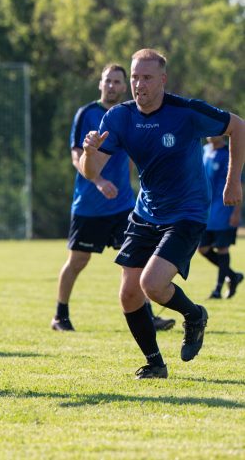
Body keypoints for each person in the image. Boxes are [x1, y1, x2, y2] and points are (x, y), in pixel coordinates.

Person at [80, 48, 244, 379]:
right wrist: (89, 152)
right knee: (128, 294)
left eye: (147, 77)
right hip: (146, 212)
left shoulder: (186, 112)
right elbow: (89, 170)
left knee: (152, 284)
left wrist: (232, 182)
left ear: (163, 80)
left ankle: (194, 315)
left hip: (187, 211)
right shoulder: (119, 117)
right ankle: (155, 363)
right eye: (136, 77)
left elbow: (238, 127)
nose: (139, 84)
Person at [52, 64, 175, 332]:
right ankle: (60, 315)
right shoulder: (86, 113)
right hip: (89, 205)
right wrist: (97, 180)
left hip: (122, 205)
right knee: (78, 261)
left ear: (123, 86)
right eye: (108, 80)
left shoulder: (130, 114)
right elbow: (76, 156)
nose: (112, 86)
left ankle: (147, 315)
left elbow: (134, 155)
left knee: (137, 260)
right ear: (100, 84)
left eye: (117, 81)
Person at [198, 135, 243, 299]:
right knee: (202, 248)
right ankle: (233, 275)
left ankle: (217, 289)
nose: (209, 134)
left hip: (224, 209)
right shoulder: (204, 151)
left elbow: (239, 183)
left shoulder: (229, 154)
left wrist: (236, 212)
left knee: (222, 248)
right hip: (205, 210)